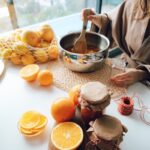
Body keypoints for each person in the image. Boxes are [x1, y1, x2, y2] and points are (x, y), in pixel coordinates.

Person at [82, 0, 150, 87]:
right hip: (124, 71)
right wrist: (99, 20)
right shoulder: (137, 2)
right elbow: (113, 22)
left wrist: (142, 74)